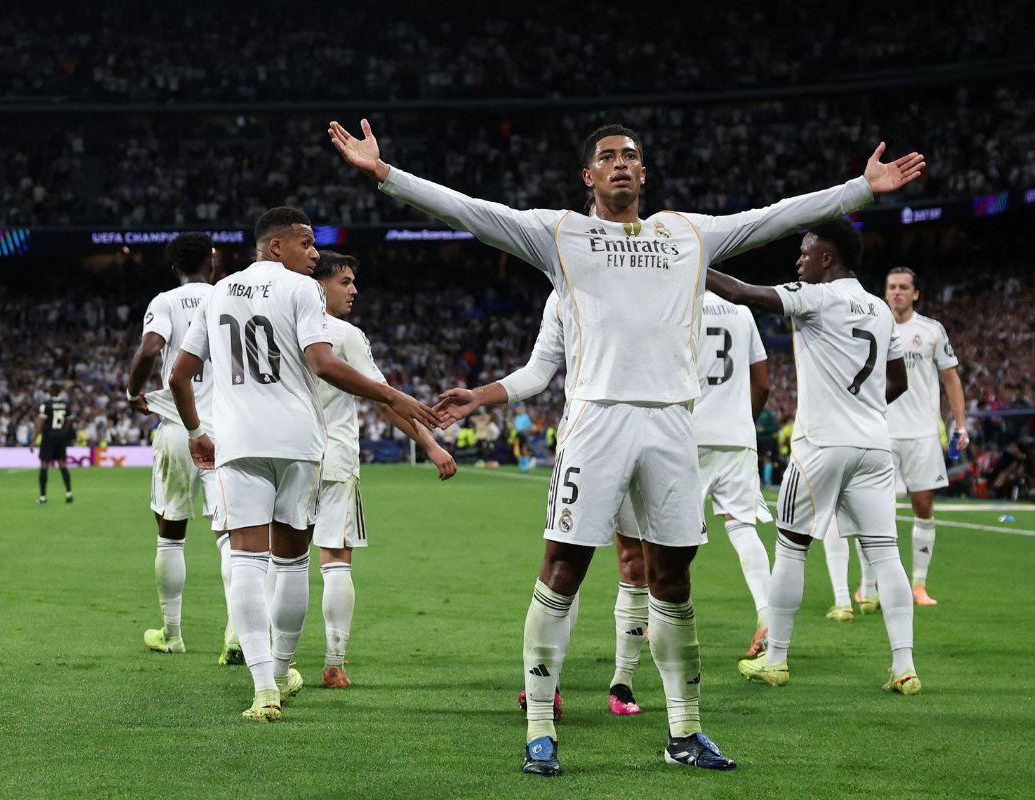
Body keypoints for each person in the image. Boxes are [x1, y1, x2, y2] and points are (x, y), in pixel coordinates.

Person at [329, 116, 922, 773]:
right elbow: (473, 212)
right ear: (589, 175)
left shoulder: (686, 233)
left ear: (643, 173)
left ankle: (684, 733)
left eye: (630, 157)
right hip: (597, 421)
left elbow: (775, 216)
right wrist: (386, 175)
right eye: (607, 157)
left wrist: (860, 190)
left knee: (672, 579)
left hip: (672, 424)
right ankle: (539, 732)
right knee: (565, 567)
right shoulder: (562, 233)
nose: (620, 164)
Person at [169, 207, 441, 722]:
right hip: (298, 442)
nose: (315, 254)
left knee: (248, 562)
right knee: (293, 561)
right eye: (306, 243)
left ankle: (261, 689)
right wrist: (394, 396)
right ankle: (282, 670)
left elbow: (180, 375)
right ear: (275, 246)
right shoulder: (302, 291)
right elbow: (321, 363)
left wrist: (195, 432)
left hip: (238, 442)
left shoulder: (218, 291)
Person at [706, 219, 922, 695]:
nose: (797, 261)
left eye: (805, 253)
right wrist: (861, 408)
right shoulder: (882, 310)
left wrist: (691, 261)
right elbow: (899, 381)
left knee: (791, 548)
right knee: (886, 555)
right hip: (873, 445)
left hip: (820, 445)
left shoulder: (817, 296)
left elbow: (745, 294)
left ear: (828, 258)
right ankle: (904, 666)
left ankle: (776, 659)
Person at [437, 290, 651, 719]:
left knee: (640, 563)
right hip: (589, 439)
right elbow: (539, 371)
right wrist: (481, 394)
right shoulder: (563, 292)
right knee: (564, 565)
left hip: (654, 437)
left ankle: (623, 682)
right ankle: (545, 683)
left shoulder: (656, 273)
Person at [311, 251, 456, 688]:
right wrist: (430, 445)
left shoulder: (280, 326)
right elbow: (385, 399)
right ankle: (334, 662)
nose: (354, 290)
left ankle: (272, 665)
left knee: (279, 560)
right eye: (346, 281)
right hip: (333, 458)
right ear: (320, 284)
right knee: (335, 559)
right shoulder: (342, 334)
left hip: (284, 456)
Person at [124, 232, 238, 661]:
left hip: (178, 426)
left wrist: (133, 391)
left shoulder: (167, 301)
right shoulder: (230, 296)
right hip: (226, 431)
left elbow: (151, 348)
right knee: (230, 536)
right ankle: (236, 634)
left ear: (174, 267)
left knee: (171, 533)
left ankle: (172, 633)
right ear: (213, 260)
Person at [845, 267, 969, 610]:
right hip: (880, 432)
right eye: (892, 287)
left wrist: (960, 424)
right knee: (874, 512)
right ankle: (867, 586)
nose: (897, 292)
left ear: (915, 294)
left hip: (923, 435)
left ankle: (918, 585)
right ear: (885, 292)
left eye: (903, 287)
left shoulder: (931, 331)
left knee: (923, 507)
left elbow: (951, 379)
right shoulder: (872, 327)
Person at [695, 290, 775, 657]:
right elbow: (763, 383)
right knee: (742, 526)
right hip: (737, 436)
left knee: (673, 533)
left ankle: (659, 619)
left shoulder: (678, 302)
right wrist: (744, 421)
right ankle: (768, 618)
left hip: (688, 435)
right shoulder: (742, 313)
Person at [31, 384, 74, 504]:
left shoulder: (46, 404)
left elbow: (41, 423)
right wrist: (62, 432)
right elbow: (69, 421)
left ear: (52, 391)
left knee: (44, 464)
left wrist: (34, 440)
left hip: (48, 437)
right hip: (60, 437)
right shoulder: (66, 404)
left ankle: (43, 497)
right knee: (62, 464)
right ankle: (69, 493)